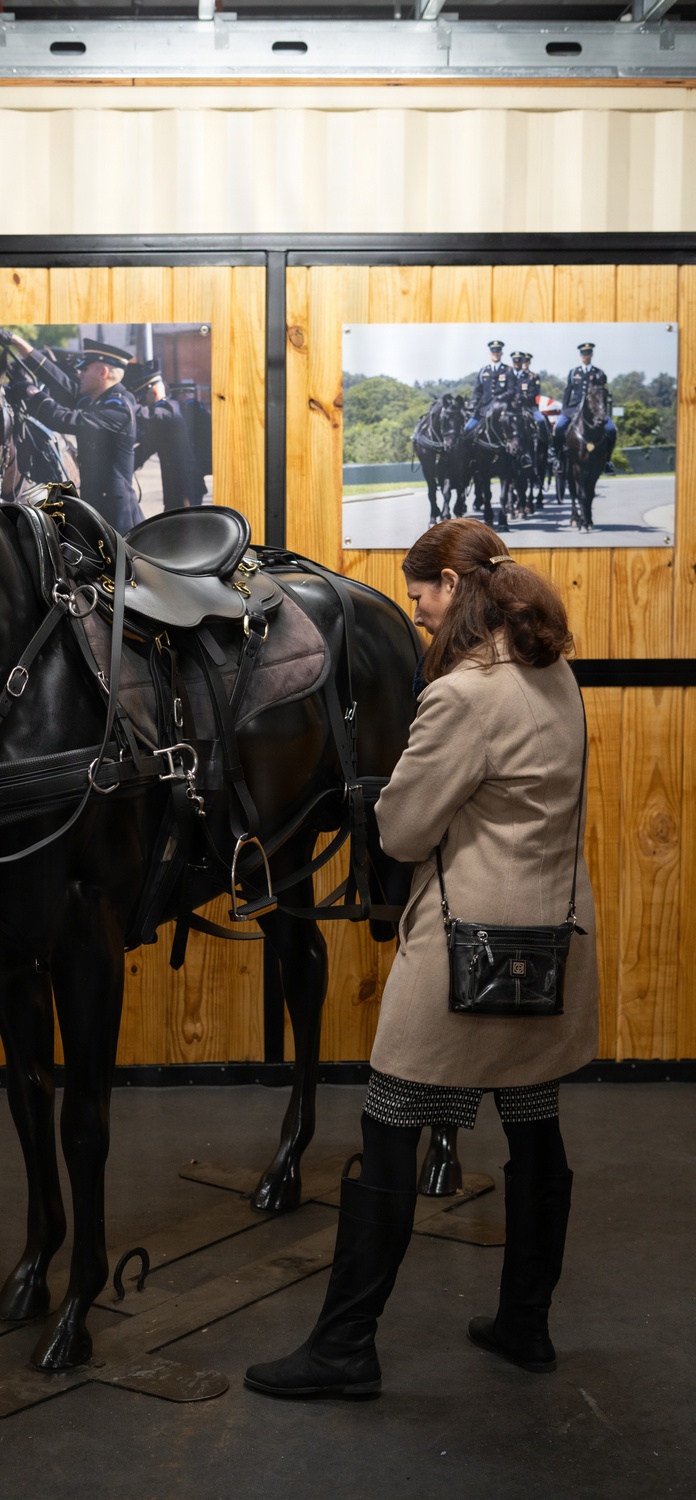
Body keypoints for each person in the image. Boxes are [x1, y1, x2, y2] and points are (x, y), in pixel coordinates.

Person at [245, 517, 599, 1400]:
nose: (421, 618)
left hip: (466, 953)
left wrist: (386, 798)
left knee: (389, 1124)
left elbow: (403, 830)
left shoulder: (462, 696)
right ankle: (527, 1325)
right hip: (550, 950)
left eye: (421, 600)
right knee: (534, 1128)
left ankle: (344, 1348)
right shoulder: (556, 675)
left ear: (452, 585)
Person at [5, 333, 144, 532]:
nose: (79, 374)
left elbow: (65, 419)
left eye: (84, 369)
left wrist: (33, 394)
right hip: (97, 507)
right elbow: (57, 379)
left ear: (103, 372)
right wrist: (17, 342)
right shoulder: (95, 400)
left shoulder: (119, 407)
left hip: (118, 518)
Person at [126, 361, 201, 511]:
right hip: (180, 487)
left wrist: (123, 407)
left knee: (183, 530)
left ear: (153, 393)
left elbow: (146, 446)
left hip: (184, 488)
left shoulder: (167, 410)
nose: (145, 404)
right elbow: (147, 444)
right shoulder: (170, 408)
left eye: (143, 398)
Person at [553, 341, 617, 464]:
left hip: (595, 410)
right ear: (580, 356)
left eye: (587, 353)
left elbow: (603, 395)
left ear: (591, 355)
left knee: (611, 430)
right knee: (559, 427)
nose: (585, 356)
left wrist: (603, 412)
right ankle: (556, 457)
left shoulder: (599, 373)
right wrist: (564, 411)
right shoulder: (573, 373)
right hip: (574, 408)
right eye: (583, 354)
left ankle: (607, 460)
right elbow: (567, 393)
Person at [463, 339, 518, 433]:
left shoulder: (508, 370)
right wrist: (473, 403)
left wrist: (500, 398)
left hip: (502, 410)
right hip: (483, 410)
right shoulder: (483, 371)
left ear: (501, 353)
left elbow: (512, 390)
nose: (495, 354)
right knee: (466, 430)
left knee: (514, 435)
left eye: (497, 351)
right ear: (490, 353)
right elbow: (478, 391)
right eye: (493, 351)